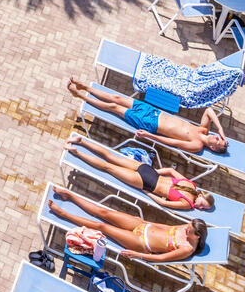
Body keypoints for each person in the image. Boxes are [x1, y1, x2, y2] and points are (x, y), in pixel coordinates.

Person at [68, 77, 229, 156]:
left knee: (114, 107)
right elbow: (209, 111)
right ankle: (85, 87)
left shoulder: (197, 145)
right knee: (117, 98)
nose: (216, 137)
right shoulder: (204, 130)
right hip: (154, 112)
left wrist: (150, 136)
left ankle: (80, 96)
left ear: (213, 148)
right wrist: (221, 129)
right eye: (218, 137)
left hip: (150, 123)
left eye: (218, 140)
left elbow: (172, 142)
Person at [47, 185, 208, 263]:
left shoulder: (187, 249)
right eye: (187, 226)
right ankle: (71, 196)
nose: (185, 228)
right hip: (142, 225)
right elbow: (165, 228)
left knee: (103, 227)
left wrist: (138, 255)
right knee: (104, 212)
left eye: (189, 230)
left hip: (141, 243)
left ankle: (63, 214)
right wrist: (143, 222)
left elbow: (162, 258)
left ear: (197, 236)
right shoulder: (186, 227)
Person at [66, 133, 216, 213]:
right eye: (203, 205)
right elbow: (164, 203)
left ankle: (81, 141)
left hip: (149, 171)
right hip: (147, 183)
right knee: (107, 167)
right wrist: (147, 192)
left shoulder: (191, 184)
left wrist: (153, 172)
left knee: (111, 157)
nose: (200, 208)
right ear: (201, 196)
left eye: (203, 209)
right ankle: (77, 152)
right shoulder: (188, 204)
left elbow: (170, 170)